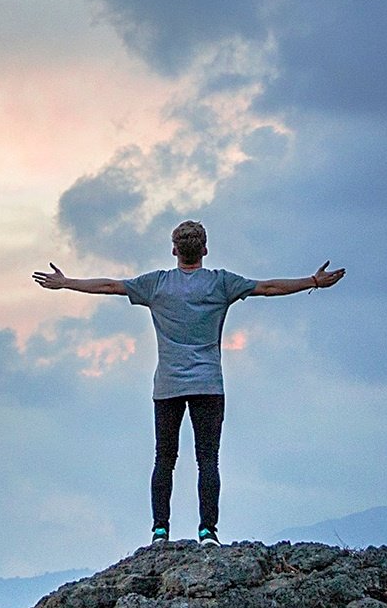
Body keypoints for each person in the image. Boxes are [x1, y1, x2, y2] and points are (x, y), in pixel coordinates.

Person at [33, 220, 346, 546]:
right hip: (208, 384)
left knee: (164, 460)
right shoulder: (222, 283)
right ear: (205, 249)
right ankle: (208, 532)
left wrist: (66, 282)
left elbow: (110, 286)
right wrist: (313, 281)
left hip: (168, 385)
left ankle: (159, 532)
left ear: (174, 250)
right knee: (208, 459)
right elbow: (268, 288)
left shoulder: (156, 285)